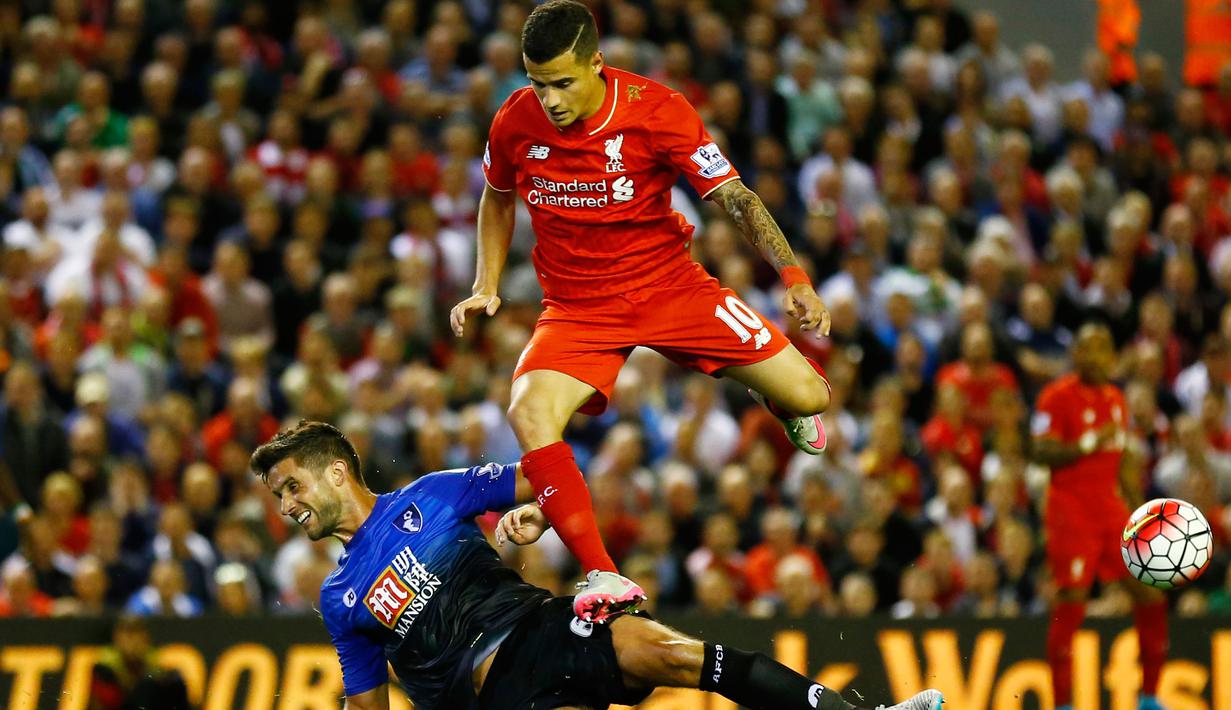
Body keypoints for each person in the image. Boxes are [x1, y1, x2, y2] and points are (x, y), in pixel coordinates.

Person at [449, 0, 833, 622]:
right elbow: (496, 198)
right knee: (527, 408)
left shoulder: (658, 110)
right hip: (578, 310)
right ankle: (601, 572)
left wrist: (793, 276)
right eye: (537, 83)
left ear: (596, 64)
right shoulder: (515, 121)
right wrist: (486, 281)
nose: (548, 99)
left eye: (563, 82)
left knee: (813, 396)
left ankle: (778, 399)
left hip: (670, 288)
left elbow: (733, 196)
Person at [250, 421, 942, 710]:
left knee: (668, 651)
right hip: (489, 698)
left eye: (290, 487)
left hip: (540, 630)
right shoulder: (341, 597)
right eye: (277, 496)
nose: (285, 506)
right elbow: (368, 704)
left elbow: (553, 470)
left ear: (337, 473)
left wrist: (542, 512)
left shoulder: (429, 495)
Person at [1031, 324, 1169, 710]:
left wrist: (1141, 513)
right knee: (1072, 598)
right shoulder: (1055, 397)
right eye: (1086, 348)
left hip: (1110, 510)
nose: (1094, 356)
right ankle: (1061, 703)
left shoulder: (1115, 399)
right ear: (1074, 354)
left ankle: (1150, 697)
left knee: (1149, 592)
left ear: (1113, 357)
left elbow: (1122, 461)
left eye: (1102, 349)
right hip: (1070, 509)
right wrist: (1089, 441)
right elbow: (1041, 452)